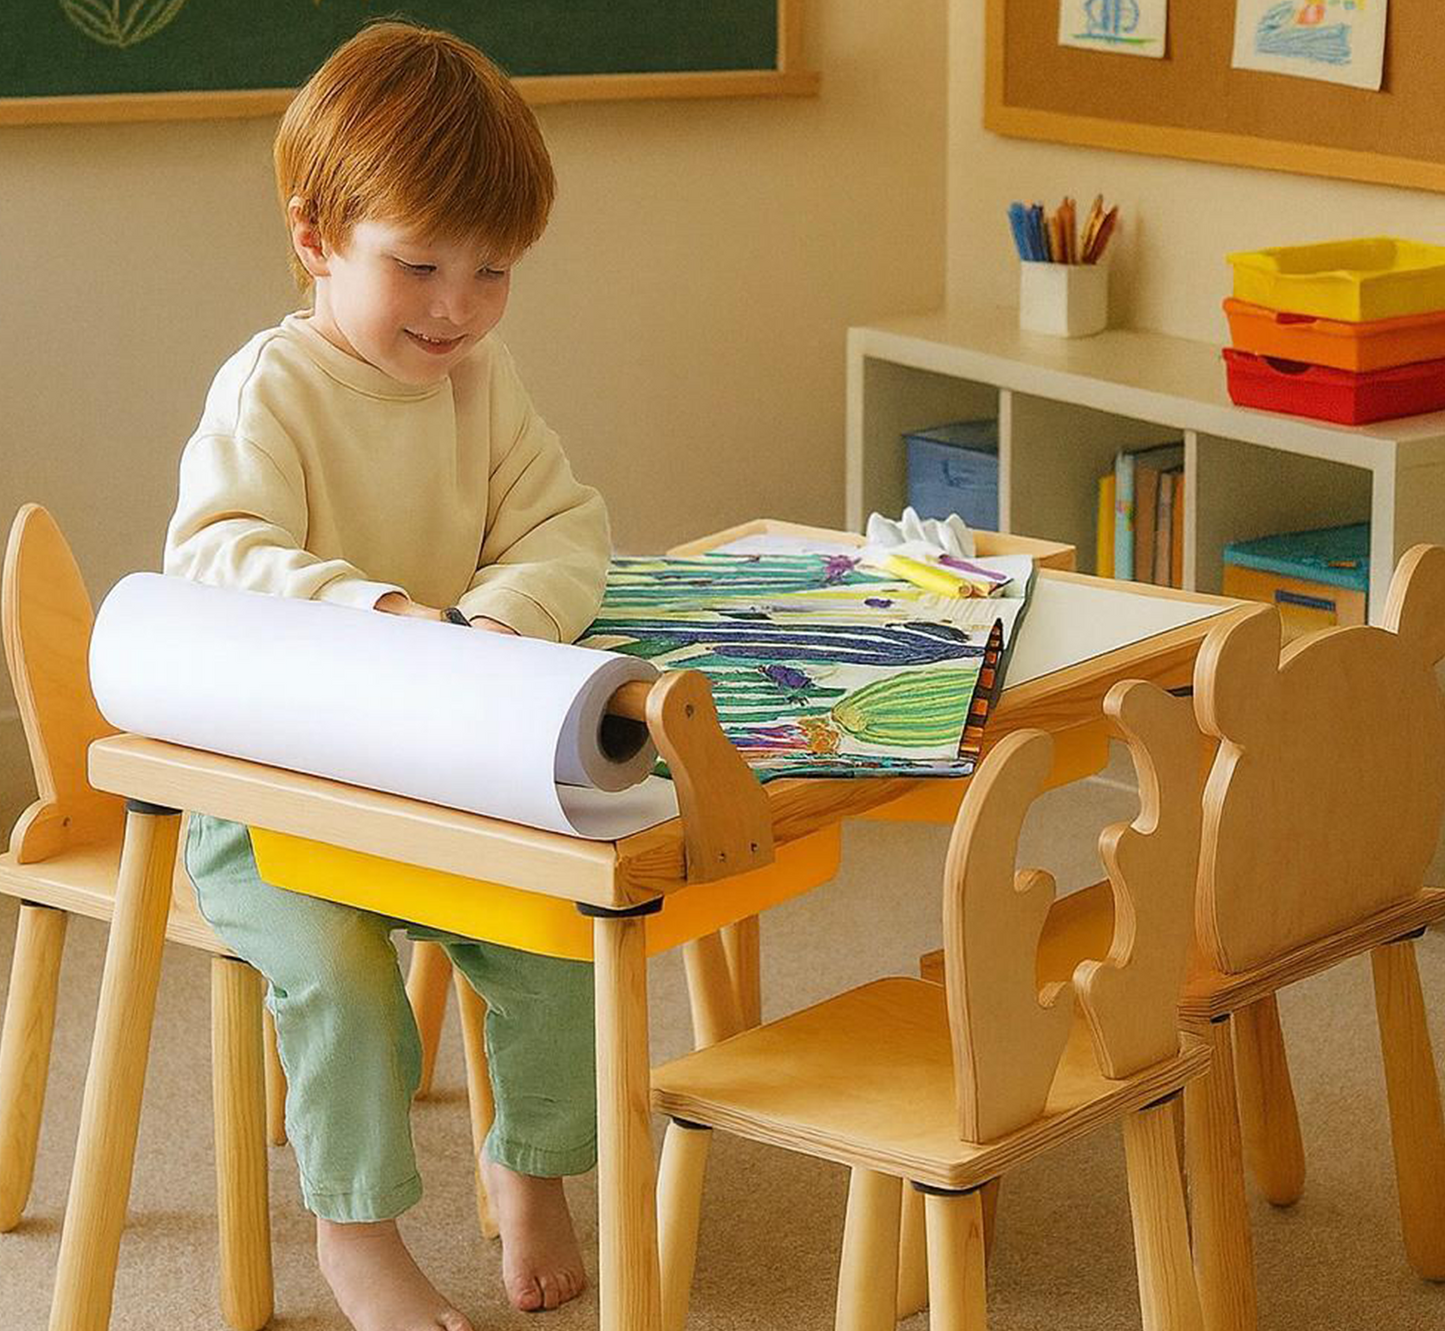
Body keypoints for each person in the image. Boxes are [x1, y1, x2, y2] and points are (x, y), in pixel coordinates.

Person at [164, 20, 608, 1329]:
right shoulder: (270, 390)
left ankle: (530, 1168)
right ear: (315, 238)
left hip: (438, 769)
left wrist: (497, 619)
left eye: (492, 271)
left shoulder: (480, 377)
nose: (456, 307)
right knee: (346, 985)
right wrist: (382, 615)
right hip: (269, 794)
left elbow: (563, 526)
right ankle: (355, 1233)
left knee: (558, 936)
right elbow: (217, 556)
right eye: (418, 265)